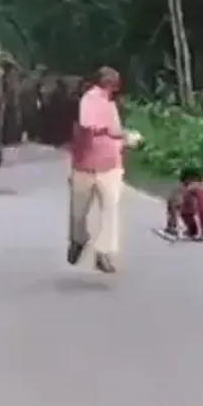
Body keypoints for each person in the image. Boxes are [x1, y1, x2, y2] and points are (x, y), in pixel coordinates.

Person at [68, 66, 141, 273]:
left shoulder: (109, 103)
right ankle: (79, 239)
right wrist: (113, 131)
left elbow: (115, 130)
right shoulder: (89, 100)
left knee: (109, 210)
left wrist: (124, 136)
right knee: (80, 211)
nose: (111, 89)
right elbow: (87, 125)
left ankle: (102, 251)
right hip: (86, 163)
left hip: (109, 163)